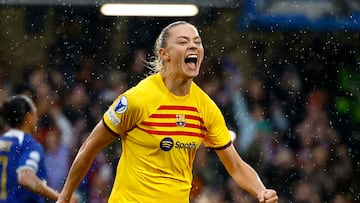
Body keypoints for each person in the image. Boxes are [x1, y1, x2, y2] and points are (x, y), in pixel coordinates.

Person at [56, 21, 278, 203]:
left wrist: (261, 190)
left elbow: (236, 166)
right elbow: (89, 148)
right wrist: (64, 197)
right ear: (164, 54)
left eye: (197, 42)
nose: (193, 46)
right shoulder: (136, 99)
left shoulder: (206, 108)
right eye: (183, 41)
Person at [0, 94, 77, 203]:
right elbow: (25, 178)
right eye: (35, 113)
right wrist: (61, 197)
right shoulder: (29, 144)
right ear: (28, 117)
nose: (37, 118)